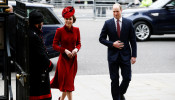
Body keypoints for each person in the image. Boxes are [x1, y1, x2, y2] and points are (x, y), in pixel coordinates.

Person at [99, 3, 137, 100]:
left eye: (117, 11)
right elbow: (101, 39)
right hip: (113, 56)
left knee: (127, 78)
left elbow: (133, 40)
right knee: (114, 80)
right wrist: (112, 44)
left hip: (125, 55)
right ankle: (117, 98)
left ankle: (120, 93)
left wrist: (134, 55)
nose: (115, 13)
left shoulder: (129, 23)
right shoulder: (108, 23)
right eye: (113, 11)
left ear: (121, 10)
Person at [50, 6, 81, 100]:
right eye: (66, 19)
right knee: (68, 85)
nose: (68, 21)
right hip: (63, 61)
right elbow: (54, 45)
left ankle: (61, 99)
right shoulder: (60, 31)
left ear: (73, 19)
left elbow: (79, 43)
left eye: (70, 19)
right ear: (64, 19)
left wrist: (76, 50)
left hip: (73, 60)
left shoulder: (76, 30)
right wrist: (65, 50)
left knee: (68, 84)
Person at [28, 10, 53, 100]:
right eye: (41, 22)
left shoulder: (31, 32)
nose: (42, 24)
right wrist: (50, 65)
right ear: (37, 23)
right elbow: (41, 55)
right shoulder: (34, 36)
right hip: (38, 72)